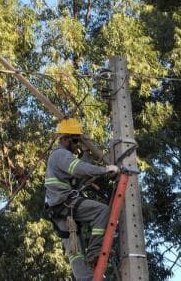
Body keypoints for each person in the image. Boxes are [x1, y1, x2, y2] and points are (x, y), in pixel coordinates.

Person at [44, 118, 119, 281]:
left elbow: (79, 174)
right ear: (65, 139)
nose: (77, 144)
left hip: (60, 210)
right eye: (76, 140)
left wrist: (86, 153)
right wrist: (105, 169)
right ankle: (95, 251)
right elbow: (79, 169)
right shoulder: (60, 154)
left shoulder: (62, 158)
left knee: (75, 252)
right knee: (102, 211)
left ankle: (86, 279)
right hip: (64, 204)